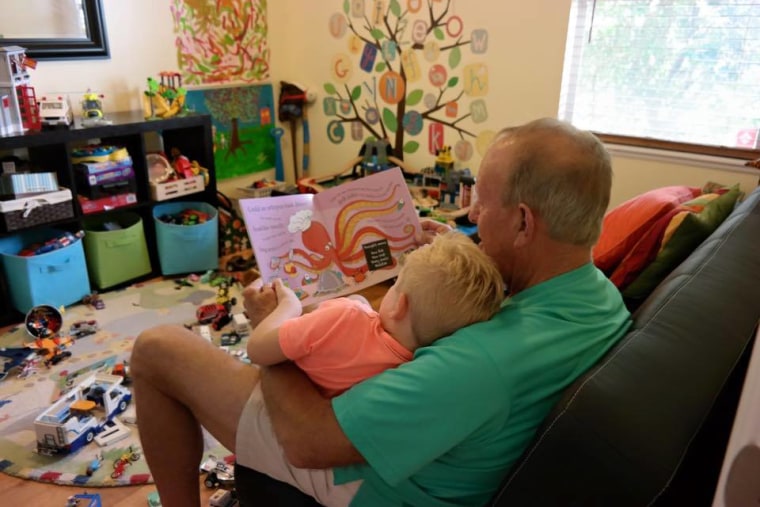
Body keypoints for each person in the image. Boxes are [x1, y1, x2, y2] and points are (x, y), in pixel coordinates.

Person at [130, 117, 632, 507]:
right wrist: (464, 251)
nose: (473, 215)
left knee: (157, 349)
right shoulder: (598, 296)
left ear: (524, 223)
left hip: (376, 484)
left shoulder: (485, 361)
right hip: (431, 440)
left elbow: (308, 442)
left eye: (481, 202)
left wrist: (271, 330)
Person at [245, 231, 504, 398]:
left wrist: (288, 307)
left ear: (399, 306)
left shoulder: (345, 316)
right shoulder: (413, 366)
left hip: (280, 411)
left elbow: (256, 349)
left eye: (396, 283)